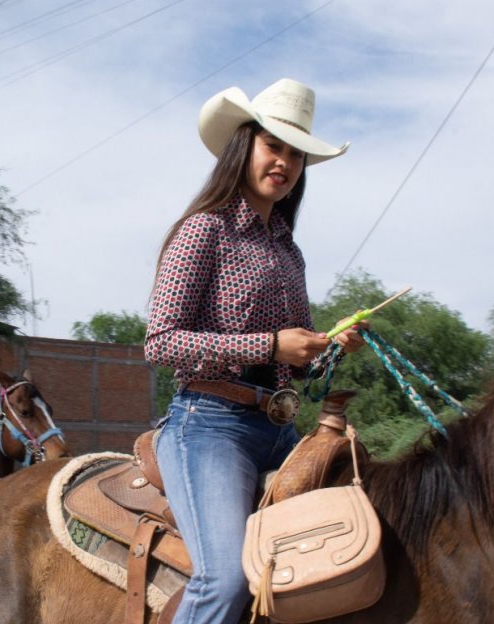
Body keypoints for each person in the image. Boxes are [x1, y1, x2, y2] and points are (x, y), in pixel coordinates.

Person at [144, 78, 367, 624]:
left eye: (296, 155)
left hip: (281, 430)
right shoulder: (205, 230)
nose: (284, 162)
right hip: (209, 425)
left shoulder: (290, 252)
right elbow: (160, 341)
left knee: (332, 558)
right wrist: (269, 342)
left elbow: (297, 358)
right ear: (245, 146)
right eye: (274, 146)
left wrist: (326, 349)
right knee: (224, 579)